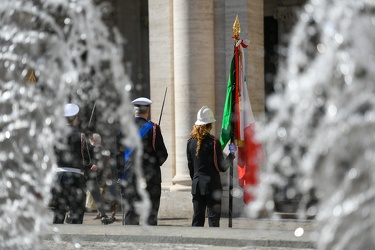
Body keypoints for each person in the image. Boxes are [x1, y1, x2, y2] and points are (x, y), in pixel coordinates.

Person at [117, 97, 168, 225]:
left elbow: (117, 156)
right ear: (148, 111)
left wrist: (119, 176)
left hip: (129, 176)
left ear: (134, 111)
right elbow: (163, 154)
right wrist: (153, 164)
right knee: (150, 214)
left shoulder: (123, 128)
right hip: (150, 177)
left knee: (130, 214)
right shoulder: (153, 129)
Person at [186, 106, 236, 227]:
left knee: (197, 219)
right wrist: (231, 154)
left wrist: (196, 181)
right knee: (213, 220)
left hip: (197, 185)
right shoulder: (213, 142)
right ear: (209, 125)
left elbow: (191, 167)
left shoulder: (190, 142)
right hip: (212, 185)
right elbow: (222, 167)